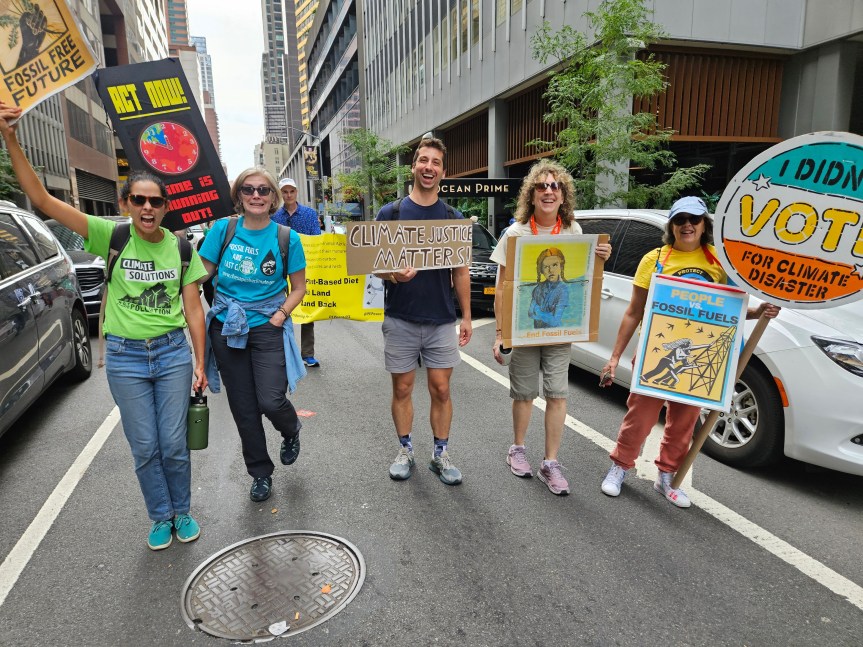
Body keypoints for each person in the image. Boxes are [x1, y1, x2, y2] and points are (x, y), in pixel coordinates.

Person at [0, 102, 208, 551]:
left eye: (156, 201)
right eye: (139, 200)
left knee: (174, 443)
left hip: (172, 353)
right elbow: (42, 200)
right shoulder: (109, 235)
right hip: (125, 358)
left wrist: (199, 362)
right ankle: (160, 516)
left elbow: (194, 310)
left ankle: (183, 511)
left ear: (166, 207)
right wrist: (11, 138)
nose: (148, 207)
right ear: (126, 204)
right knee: (145, 445)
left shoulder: (181, 249)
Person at [598, 196, 780, 508]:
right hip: (656, 352)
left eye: (694, 219)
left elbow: (731, 310)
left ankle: (667, 476)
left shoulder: (721, 263)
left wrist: (759, 311)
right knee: (640, 417)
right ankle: (620, 466)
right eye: (680, 219)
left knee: (684, 422)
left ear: (704, 224)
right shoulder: (654, 259)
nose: (687, 225)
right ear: (671, 225)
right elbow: (634, 312)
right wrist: (614, 357)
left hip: (695, 358)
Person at [490, 160, 611, 495]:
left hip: (559, 336)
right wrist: (500, 334)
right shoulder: (515, 234)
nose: (548, 191)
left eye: (554, 186)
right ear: (531, 195)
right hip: (524, 333)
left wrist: (601, 254)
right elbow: (502, 289)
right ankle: (517, 449)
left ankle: (550, 463)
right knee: (524, 393)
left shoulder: (574, 231)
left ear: (563, 195)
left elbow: (586, 278)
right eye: (541, 186)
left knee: (557, 394)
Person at [198, 169, 307, 504]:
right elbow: (199, 275)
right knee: (244, 407)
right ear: (239, 195)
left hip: (267, 327)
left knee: (271, 399)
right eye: (248, 189)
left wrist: (279, 316)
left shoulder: (287, 238)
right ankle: (260, 473)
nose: (256, 195)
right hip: (227, 327)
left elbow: (299, 288)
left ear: (273, 196)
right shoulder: (222, 230)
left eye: (263, 190)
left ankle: (291, 429)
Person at [375, 137, 472, 485]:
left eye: (436, 163)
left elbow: (460, 271)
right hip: (400, 317)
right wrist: (393, 275)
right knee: (402, 389)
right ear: (414, 166)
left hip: (441, 319)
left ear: (443, 172)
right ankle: (405, 450)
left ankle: (440, 454)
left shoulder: (453, 218)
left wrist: (467, 316)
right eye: (423, 160)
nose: (429, 167)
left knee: (441, 389)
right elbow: (375, 266)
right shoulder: (390, 214)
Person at [271, 177, 322, 367]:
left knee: (307, 309)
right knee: (282, 307)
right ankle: (284, 352)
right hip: (280, 268)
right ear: (281, 194)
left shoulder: (309, 214)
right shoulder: (274, 216)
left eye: (291, 191)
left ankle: (307, 354)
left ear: (296, 192)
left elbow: (316, 239)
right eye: (285, 192)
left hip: (305, 266)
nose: (288, 195)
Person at [528, 248, 569, 328]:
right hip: (537, 333)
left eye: (555, 265)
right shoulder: (537, 289)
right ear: (541, 270)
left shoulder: (563, 290)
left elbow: (555, 321)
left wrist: (538, 312)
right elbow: (530, 313)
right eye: (546, 267)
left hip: (555, 333)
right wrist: (548, 316)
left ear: (561, 266)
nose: (551, 270)